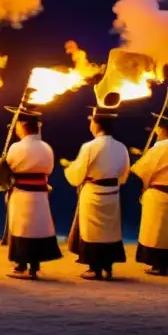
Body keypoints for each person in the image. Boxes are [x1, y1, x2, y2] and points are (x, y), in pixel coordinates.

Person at [63, 103, 130, 280]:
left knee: (92, 231)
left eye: (91, 121)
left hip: (93, 191)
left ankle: (95, 268)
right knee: (109, 231)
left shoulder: (90, 147)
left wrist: (68, 168)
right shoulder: (121, 147)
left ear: (97, 124)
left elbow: (78, 172)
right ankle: (107, 267)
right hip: (113, 193)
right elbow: (124, 173)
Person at [0, 107, 62, 280]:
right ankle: (34, 265)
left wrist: (0, 165)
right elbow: (49, 169)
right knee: (37, 228)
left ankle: (21, 266)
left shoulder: (16, 148)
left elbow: (8, 170)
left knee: (22, 228)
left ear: (22, 125)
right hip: (40, 194)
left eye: (17, 124)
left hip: (22, 194)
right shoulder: (47, 148)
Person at [132, 113, 168, 276]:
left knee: (157, 233)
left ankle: (159, 265)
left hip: (159, 194)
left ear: (161, 129)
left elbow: (141, 171)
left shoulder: (160, 147)